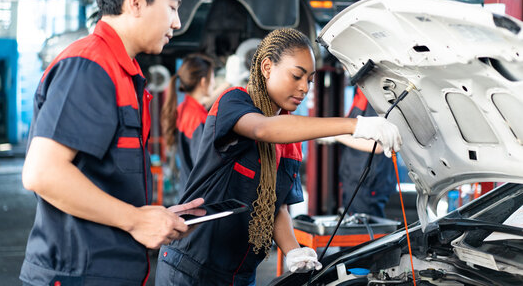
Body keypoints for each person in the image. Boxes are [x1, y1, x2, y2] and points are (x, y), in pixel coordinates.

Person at [155, 28, 402, 285]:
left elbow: (277, 207)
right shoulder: (234, 102)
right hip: (191, 269)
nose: (304, 87)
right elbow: (263, 129)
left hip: (240, 275)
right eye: (296, 76)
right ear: (267, 67)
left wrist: (293, 249)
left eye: (309, 80)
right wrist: (354, 125)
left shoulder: (290, 143)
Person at [20, 0, 203, 286]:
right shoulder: (90, 66)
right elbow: (42, 173)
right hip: (78, 274)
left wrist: (152, 215)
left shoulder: (121, 71)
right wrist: (135, 220)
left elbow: (101, 177)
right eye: (173, 7)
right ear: (135, 2)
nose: (177, 22)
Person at [335, 87, 397, 218]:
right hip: (354, 179)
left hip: (368, 183)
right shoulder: (359, 91)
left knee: (367, 232)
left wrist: (336, 135)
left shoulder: (374, 93)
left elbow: (379, 145)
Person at [161, 53, 216, 196]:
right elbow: (204, 168)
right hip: (200, 199)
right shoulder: (197, 118)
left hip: (187, 192)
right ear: (203, 82)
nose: (214, 83)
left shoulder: (185, 108)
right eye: (213, 78)